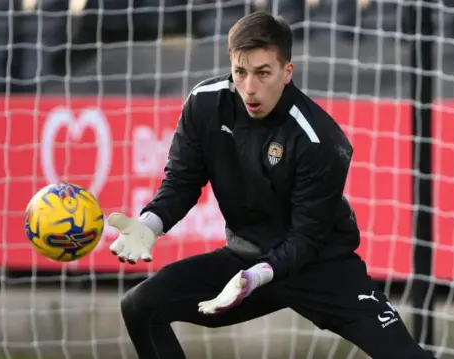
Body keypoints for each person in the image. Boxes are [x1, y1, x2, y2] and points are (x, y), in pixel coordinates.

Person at [106, 11, 437, 359]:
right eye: (241, 72)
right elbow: (182, 181)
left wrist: (256, 277)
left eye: (263, 73)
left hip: (319, 266)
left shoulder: (319, 140)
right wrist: (150, 224)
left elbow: (306, 238)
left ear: (286, 72)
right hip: (244, 258)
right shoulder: (205, 104)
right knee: (141, 305)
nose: (249, 87)